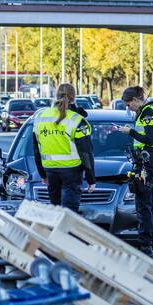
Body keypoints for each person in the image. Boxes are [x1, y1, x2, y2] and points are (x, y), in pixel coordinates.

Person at [117, 86, 153, 258]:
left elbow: (149, 139)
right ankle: (151, 243)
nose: (128, 108)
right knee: (148, 205)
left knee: (144, 206)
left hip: (147, 161)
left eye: (129, 104)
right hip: (146, 160)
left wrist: (130, 132)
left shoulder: (148, 113)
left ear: (136, 100)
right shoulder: (145, 112)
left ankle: (147, 245)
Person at [32, 82, 96, 212]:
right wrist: (91, 178)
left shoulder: (40, 117)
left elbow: (36, 148)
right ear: (73, 98)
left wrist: (42, 174)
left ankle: (56, 232)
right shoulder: (77, 120)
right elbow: (85, 152)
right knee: (69, 212)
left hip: (50, 170)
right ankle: (67, 233)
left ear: (56, 96)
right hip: (71, 171)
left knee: (55, 210)